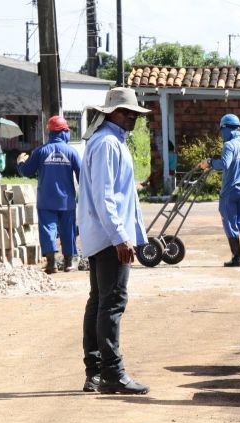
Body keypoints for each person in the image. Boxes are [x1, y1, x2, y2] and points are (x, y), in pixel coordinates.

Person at [78, 87, 150, 395]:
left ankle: (95, 371)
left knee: (99, 302)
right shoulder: (107, 143)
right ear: (112, 113)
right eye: (128, 113)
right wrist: (122, 237)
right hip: (109, 237)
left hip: (102, 235)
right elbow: (105, 197)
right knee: (112, 303)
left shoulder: (106, 142)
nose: (133, 118)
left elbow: (121, 196)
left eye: (135, 113)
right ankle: (112, 372)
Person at [17, 116, 82, 274]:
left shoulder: (40, 151)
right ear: (63, 132)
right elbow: (83, 177)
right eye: (67, 130)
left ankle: (51, 263)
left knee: (48, 229)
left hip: (46, 200)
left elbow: (27, 171)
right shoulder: (72, 152)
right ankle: (69, 263)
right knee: (68, 229)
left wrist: (20, 161)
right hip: (67, 201)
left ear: (51, 133)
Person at [199, 114, 240, 267]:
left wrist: (210, 162)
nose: (221, 134)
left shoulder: (229, 145)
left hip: (230, 190)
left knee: (229, 222)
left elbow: (224, 164)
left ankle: (236, 258)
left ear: (227, 129)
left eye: (221, 130)